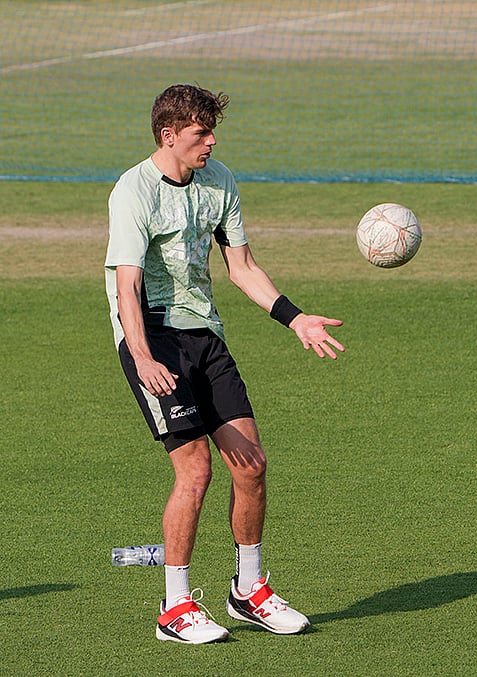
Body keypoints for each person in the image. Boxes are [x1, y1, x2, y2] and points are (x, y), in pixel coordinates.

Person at [105, 84, 344, 644]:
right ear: (169, 136)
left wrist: (295, 319)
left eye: (212, 131)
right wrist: (142, 356)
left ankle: (248, 591)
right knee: (195, 471)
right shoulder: (134, 191)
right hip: (153, 338)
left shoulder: (220, 182)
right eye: (200, 133)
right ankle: (175, 607)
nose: (211, 142)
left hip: (204, 337)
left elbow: (242, 267)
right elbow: (127, 284)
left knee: (251, 466)